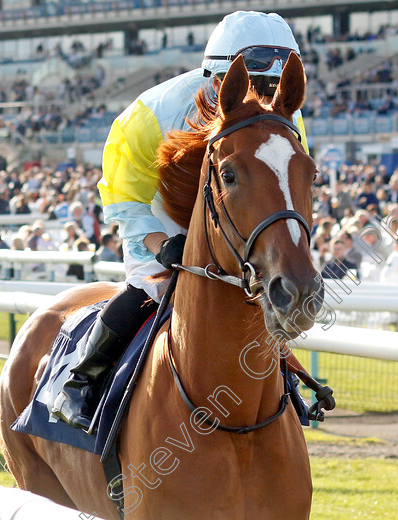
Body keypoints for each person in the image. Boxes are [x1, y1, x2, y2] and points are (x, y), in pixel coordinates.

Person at [53, 11, 309, 430]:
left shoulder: (285, 116)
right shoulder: (151, 113)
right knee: (153, 288)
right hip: (159, 212)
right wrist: (159, 243)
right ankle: (81, 380)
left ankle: (281, 383)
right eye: (255, 83)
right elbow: (124, 197)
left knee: (259, 291)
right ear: (220, 77)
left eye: (272, 86)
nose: (264, 96)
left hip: (234, 214)